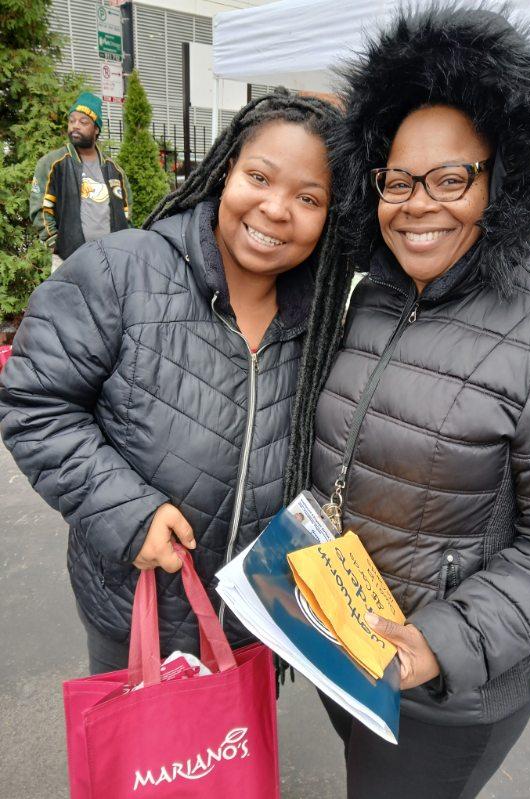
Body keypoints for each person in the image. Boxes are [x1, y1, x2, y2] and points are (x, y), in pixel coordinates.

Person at [293, 8, 530, 799]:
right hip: (346, 641)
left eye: (449, 178)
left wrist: (442, 640)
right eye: (395, 180)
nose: (415, 204)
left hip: (446, 688)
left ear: (503, 180)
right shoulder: (371, 295)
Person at [0, 90, 350, 674]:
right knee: (146, 764)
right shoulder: (122, 270)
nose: (276, 208)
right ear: (224, 170)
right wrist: (127, 513)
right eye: (259, 177)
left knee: (230, 761)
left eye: (308, 197)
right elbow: (35, 401)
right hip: (135, 608)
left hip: (253, 624)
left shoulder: (322, 322)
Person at [30, 91, 132, 273]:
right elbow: (40, 208)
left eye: (83, 122)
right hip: (68, 259)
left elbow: (126, 211)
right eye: (72, 120)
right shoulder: (53, 163)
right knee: (67, 302)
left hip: (109, 259)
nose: (75, 126)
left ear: (96, 129)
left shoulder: (114, 170)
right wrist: (55, 243)